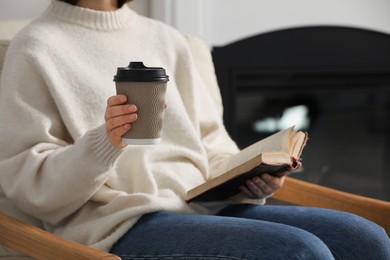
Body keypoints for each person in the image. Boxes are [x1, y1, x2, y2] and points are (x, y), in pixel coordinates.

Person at [0, 0, 389, 259]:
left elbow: (211, 144)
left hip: (205, 205)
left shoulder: (167, 39)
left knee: (366, 239)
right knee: (300, 252)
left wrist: (250, 179)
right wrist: (106, 141)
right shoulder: (36, 47)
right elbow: (28, 185)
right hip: (121, 222)